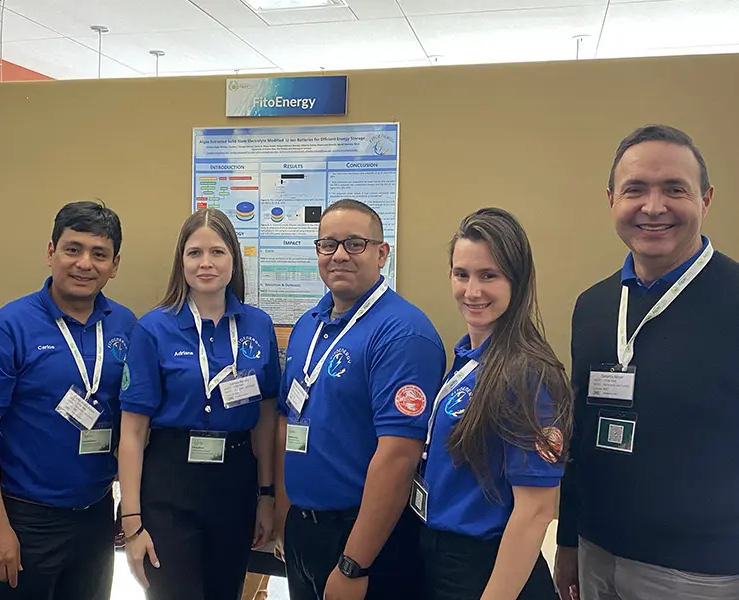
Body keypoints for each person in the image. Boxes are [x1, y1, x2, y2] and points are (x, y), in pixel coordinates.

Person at [555, 124, 739, 600]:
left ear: (706, 199)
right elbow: (581, 433)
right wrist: (568, 541)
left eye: (674, 189)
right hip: (598, 554)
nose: (653, 207)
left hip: (702, 572)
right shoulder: (593, 307)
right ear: (612, 199)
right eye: (636, 189)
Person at [0, 200, 136, 600]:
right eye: (72, 249)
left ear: (115, 263)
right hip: (25, 518)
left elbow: (135, 422)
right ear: (50, 252)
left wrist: (129, 500)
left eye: (99, 254)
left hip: (95, 515)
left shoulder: (126, 325)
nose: (84, 264)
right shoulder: (9, 327)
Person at [275, 198, 446, 600]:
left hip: (362, 541)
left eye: (355, 243)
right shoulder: (308, 325)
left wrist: (355, 563)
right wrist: (286, 518)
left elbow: (399, 457)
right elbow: (288, 421)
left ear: (382, 253)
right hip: (305, 529)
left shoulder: (403, 333)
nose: (339, 256)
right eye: (328, 244)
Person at [118, 208, 281, 600]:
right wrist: (132, 521)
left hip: (235, 484)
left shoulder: (258, 326)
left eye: (217, 252)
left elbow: (265, 421)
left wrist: (267, 495)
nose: (206, 263)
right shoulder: (153, 328)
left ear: (233, 260)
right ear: (181, 261)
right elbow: (133, 431)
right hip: (169, 485)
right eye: (195, 253)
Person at [416, 207, 571, 600]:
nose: (472, 291)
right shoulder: (470, 358)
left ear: (516, 282)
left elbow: (536, 512)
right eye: (461, 274)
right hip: (443, 557)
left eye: (489, 276)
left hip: (488, 569)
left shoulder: (527, 372)